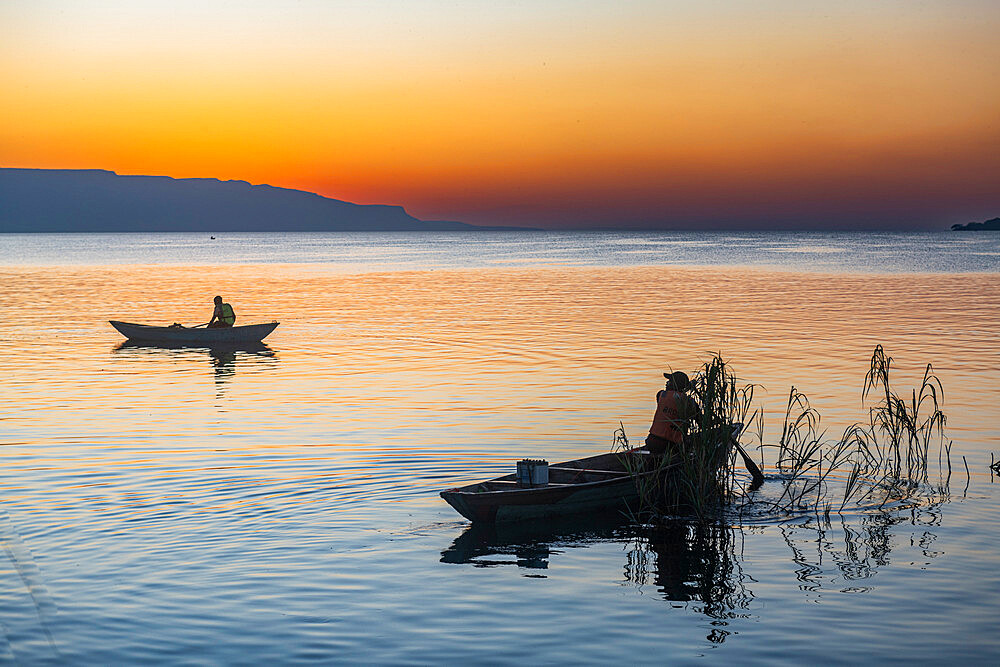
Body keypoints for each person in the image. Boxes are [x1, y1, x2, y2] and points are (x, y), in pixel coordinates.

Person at [645, 370, 701, 455]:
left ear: (674, 384)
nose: (667, 383)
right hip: (671, 445)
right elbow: (702, 423)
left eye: (670, 381)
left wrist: (687, 388)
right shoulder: (690, 402)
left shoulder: (661, 395)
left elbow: (675, 397)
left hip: (652, 442)